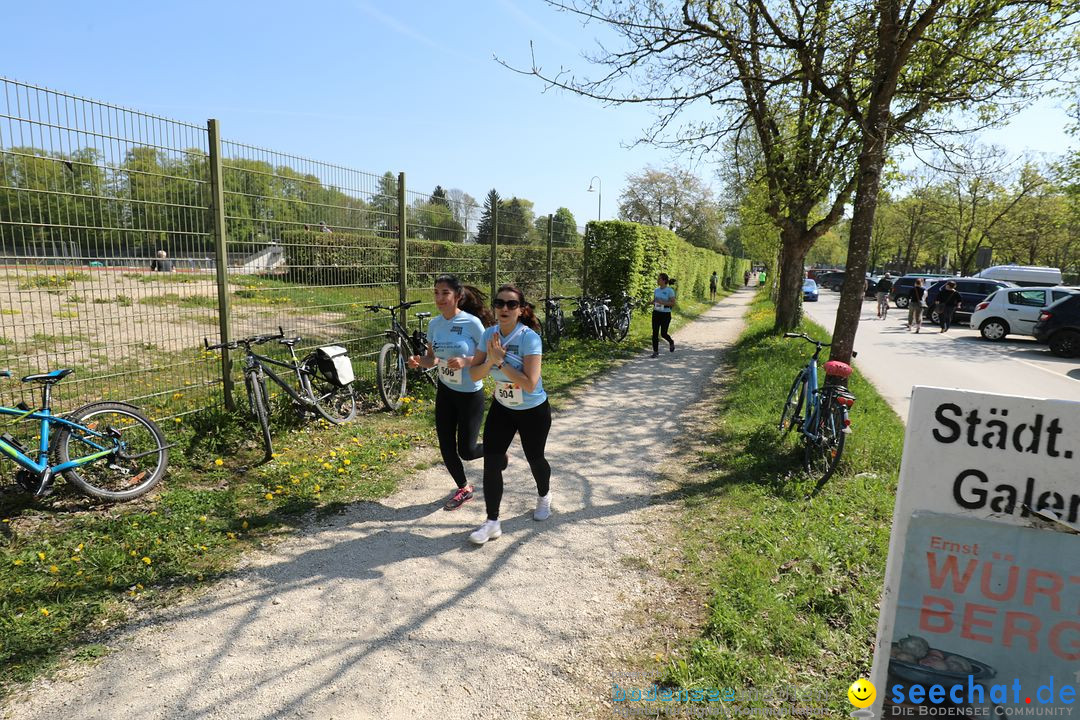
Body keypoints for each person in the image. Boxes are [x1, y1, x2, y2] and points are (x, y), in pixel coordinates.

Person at [467, 285, 551, 545]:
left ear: (521, 309)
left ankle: (544, 495)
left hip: (532, 410)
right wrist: (491, 360)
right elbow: (473, 374)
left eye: (511, 304)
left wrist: (501, 361)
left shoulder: (530, 338)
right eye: (499, 303)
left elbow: (529, 383)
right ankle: (492, 522)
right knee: (491, 462)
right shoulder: (489, 334)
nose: (504, 308)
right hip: (502, 407)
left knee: (535, 458)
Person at [407, 275, 494, 510]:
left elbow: (487, 357)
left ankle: (496, 450)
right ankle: (464, 488)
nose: (439, 298)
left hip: (470, 394)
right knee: (446, 445)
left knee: (466, 450)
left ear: (458, 296)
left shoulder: (472, 323)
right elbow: (432, 359)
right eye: (436, 292)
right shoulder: (434, 324)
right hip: (446, 390)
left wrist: (466, 361)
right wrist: (419, 361)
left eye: (444, 293)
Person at [651, 273, 676, 358]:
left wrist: (663, 303)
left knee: (663, 333)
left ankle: (671, 342)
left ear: (664, 281)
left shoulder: (670, 291)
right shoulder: (656, 290)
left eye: (659, 279)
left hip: (665, 314)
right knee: (654, 333)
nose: (657, 280)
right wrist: (651, 302)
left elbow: (673, 303)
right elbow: (655, 300)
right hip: (656, 313)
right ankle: (655, 351)